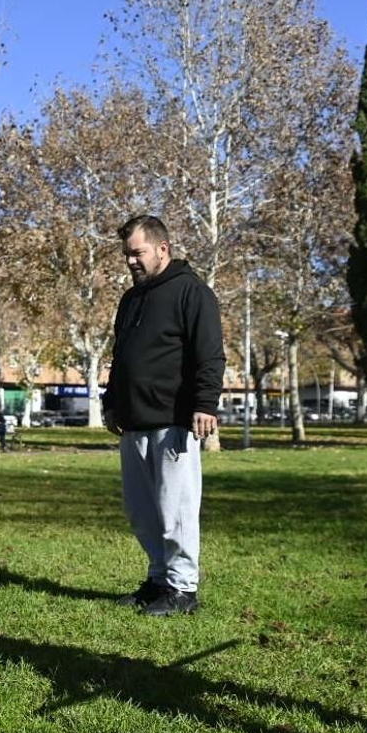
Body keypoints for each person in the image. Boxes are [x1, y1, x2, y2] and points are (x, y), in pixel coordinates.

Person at [101, 215, 224, 617]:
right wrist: (111, 402)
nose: (130, 261)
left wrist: (205, 404)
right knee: (142, 512)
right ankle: (158, 580)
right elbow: (121, 357)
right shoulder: (131, 299)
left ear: (162, 248)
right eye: (126, 254)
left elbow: (210, 354)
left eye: (137, 253)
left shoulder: (192, 292)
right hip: (133, 421)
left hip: (174, 420)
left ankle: (183, 589)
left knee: (176, 510)